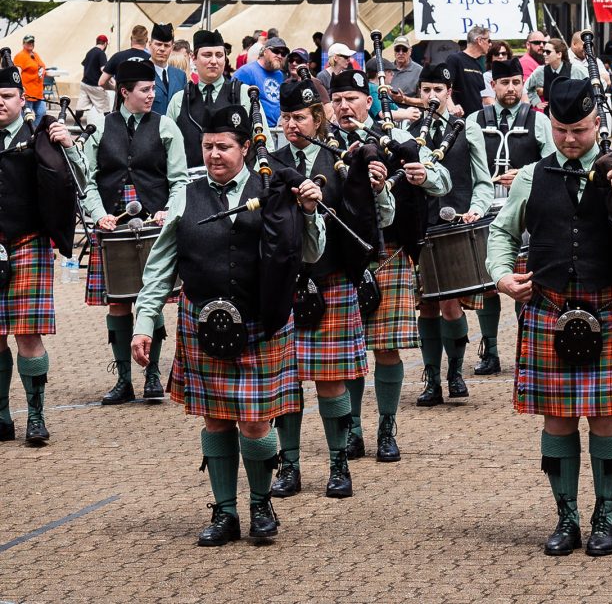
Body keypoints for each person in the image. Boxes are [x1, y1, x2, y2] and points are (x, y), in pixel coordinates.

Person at [487, 77, 612, 556]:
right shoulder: (532, 176)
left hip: (607, 302)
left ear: (598, 123)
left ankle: (605, 517)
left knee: (607, 418)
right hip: (549, 306)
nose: (570, 139)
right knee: (556, 418)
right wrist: (501, 276)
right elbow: (501, 233)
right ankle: (566, 517)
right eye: (560, 129)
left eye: (579, 130)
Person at [129, 104, 325, 547]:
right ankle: (224, 511)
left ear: (244, 149)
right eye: (208, 146)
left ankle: (260, 505)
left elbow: (309, 254)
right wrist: (145, 323)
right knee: (216, 421)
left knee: (256, 422)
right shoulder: (185, 195)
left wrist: (309, 212)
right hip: (203, 323)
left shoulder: (274, 188)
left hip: (260, 322)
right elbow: (160, 267)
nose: (214, 155)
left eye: (224, 147)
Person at [268, 78, 390, 498]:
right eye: (285, 118)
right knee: (287, 382)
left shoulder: (340, 160)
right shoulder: (270, 162)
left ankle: (340, 465)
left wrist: (375, 185)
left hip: (332, 279)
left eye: (300, 117)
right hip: (285, 286)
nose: (291, 125)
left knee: (331, 380)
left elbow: (369, 218)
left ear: (317, 119)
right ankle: (290, 467)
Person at [327, 68, 450, 461]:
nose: (345, 106)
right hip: (341, 256)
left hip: (390, 251)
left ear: (369, 101)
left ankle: (385, 429)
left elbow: (442, 179)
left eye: (352, 99)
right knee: (348, 351)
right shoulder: (324, 143)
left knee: (387, 348)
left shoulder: (400, 139)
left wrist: (424, 174)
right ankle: (353, 431)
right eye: (339, 99)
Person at [81, 58, 189, 406]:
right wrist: (99, 216)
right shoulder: (100, 127)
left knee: (151, 299)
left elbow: (179, 181)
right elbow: (88, 181)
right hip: (113, 227)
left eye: (153, 88)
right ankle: (124, 379)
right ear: (124, 91)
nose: (152, 94)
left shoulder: (166, 126)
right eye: (145, 89)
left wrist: (168, 213)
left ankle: (153, 375)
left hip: (154, 225)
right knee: (117, 303)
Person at [0, 60, 85, 445]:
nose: (0, 103)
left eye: (6, 96)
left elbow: (80, 182)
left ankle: (35, 415)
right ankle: (2, 414)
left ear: (22, 99)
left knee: (28, 335)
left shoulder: (43, 136)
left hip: (28, 243)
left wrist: (69, 145)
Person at [412, 64, 494, 405]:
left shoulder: (468, 129)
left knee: (450, 304)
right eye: (426, 89)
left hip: (456, 223)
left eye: (438, 90)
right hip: (420, 228)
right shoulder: (409, 130)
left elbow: (483, 180)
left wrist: (477, 208)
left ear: (450, 93)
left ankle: (455, 372)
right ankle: (432, 378)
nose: (432, 96)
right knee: (426, 307)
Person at [467, 58, 554, 376]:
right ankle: (489, 351)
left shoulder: (539, 121)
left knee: (524, 285)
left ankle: (524, 350)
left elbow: (551, 164)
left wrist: (525, 174)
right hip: (486, 210)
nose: (511, 88)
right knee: (489, 286)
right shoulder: (476, 120)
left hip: (525, 214)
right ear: (493, 85)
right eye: (505, 83)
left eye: (517, 82)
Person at [167, 30, 245, 167]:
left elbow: (264, 145)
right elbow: (166, 148)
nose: (214, 61)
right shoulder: (179, 100)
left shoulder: (243, 95)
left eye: (219, 55)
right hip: (190, 183)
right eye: (207, 55)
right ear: (193, 58)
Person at [233, 36, 289, 127]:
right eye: (276, 51)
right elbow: (234, 102)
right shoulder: (246, 72)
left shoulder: (279, 75)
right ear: (265, 51)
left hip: (277, 130)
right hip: (255, 130)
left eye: (283, 54)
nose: (279, 56)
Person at [525, 39, 587, 111]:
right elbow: (528, 88)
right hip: (550, 116)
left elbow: (592, 84)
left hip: (571, 115)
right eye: (544, 51)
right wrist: (536, 102)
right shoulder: (540, 71)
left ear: (559, 54)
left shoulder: (575, 69)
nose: (544, 54)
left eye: (548, 52)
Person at [445, 25, 490, 116]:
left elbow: (479, 95)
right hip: (459, 118)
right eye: (489, 40)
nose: (490, 44)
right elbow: (446, 87)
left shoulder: (478, 64)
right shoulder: (454, 59)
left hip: (477, 118)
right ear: (480, 40)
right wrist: (452, 108)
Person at [149, 23, 187, 117]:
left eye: (166, 45)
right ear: (150, 45)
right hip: (150, 130)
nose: (162, 49)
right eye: (158, 44)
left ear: (172, 48)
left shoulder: (180, 76)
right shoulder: (140, 72)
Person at [99, 25, 151, 90]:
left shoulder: (117, 57)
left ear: (131, 38)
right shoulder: (151, 60)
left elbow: (101, 82)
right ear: (146, 40)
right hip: (144, 99)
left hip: (123, 98)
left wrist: (116, 89)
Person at [13, 35, 47, 125]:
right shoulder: (20, 56)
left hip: (38, 92)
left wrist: (42, 70)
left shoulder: (35, 55)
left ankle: (34, 131)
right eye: (28, 42)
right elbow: (17, 72)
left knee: (42, 113)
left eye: (32, 42)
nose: (30, 44)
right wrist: (19, 86)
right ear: (23, 44)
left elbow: (42, 65)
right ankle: (26, 133)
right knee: (25, 116)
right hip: (27, 92)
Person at [78, 34, 111, 122]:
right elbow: (103, 69)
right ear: (105, 44)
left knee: (80, 107)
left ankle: (76, 125)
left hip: (84, 83)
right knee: (106, 107)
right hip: (95, 85)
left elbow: (84, 66)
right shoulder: (101, 53)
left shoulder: (90, 52)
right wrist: (111, 79)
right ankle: (110, 127)